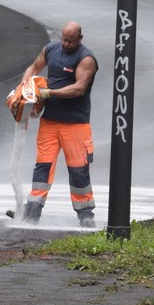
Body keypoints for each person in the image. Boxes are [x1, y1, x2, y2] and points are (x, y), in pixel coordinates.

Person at [20, 21, 99, 227]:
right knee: (42, 168)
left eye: (71, 41)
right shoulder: (51, 49)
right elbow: (34, 68)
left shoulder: (86, 59)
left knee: (78, 169)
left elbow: (78, 89)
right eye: (64, 39)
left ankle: (86, 215)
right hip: (50, 122)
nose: (66, 44)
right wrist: (24, 87)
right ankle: (32, 212)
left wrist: (49, 93)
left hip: (76, 125)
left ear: (80, 39)